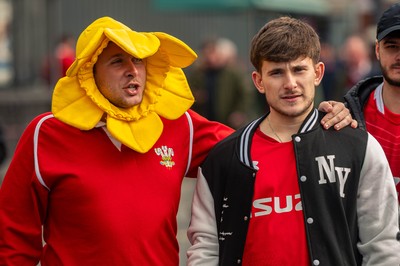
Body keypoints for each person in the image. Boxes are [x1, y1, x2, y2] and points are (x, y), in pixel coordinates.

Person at [0, 16, 354, 265]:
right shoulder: (45, 134)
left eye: (139, 61)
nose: (133, 71)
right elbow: (13, 241)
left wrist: (327, 123)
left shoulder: (178, 125)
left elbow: (260, 147)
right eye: (117, 61)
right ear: (90, 72)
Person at [187, 16, 400, 265]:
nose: (290, 84)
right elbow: (205, 250)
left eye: (299, 69)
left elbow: (383, 246)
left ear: (318, 73)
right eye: (276, 72)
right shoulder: (226, 157)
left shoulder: (358, 146)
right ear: (258, 81)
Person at [345, 2, 400, 205]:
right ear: (377, 50)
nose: (399, 56)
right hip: (367, 236)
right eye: (391, 46)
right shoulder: (350, 116)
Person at [187, 37, 252, 128]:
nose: (210, 57)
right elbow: (189, 92)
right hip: (206, 119)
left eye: (212, 52)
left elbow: (245, 93)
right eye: (206, 53)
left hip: (228, 121)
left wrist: (239, 112)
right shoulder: (198, 73)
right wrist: (197, 96)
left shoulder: (233, 72)